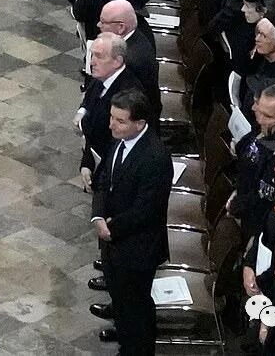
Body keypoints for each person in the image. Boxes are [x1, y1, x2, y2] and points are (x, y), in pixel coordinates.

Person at [90, 91, 174, 356]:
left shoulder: (155, 157)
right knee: (121, 300)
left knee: (137, 309)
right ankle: (125, 339)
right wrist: (98, 215)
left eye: (120, 121)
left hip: (138, 248)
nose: (111, 125)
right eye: (111, 118)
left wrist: (111, 228)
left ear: (139, 123)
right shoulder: (119, 141)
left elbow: (146, 209)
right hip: (113, 243)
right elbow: (104, 179)